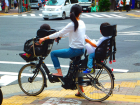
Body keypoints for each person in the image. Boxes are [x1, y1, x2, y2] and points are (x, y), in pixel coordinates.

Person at [39, 4, 85, 77]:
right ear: (80, 13)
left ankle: (59, 73)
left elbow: (59, 33)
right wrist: (60, 37)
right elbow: (68, 34)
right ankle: (80, 87)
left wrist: (45, 38)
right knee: (76, 69)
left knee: (53, 54)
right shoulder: (82, 23)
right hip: (81, 50)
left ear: (71, 13)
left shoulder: (72, 24)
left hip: (74, 50)